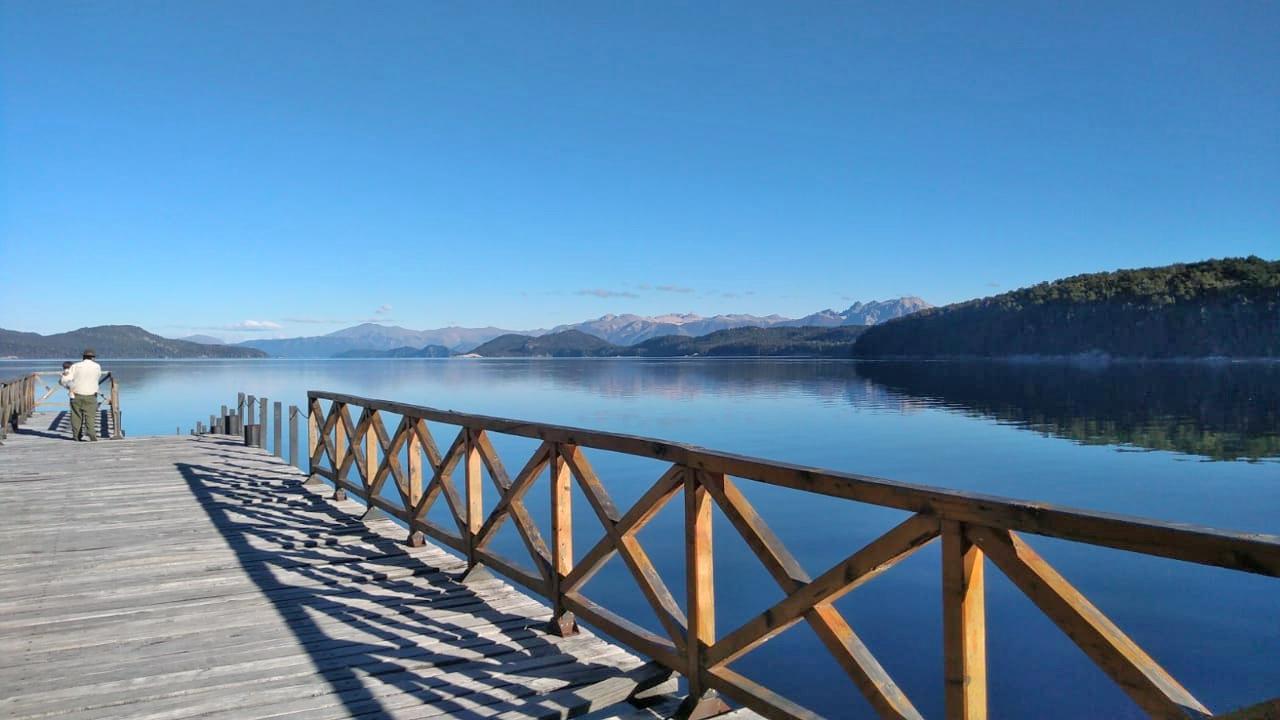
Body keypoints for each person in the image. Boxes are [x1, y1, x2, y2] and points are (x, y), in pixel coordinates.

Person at [61, 349, 102, 441]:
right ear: (93, 358)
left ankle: (77, 436)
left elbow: (65, 380)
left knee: (76, 416)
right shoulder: (97, 366)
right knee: (90, 416)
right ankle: (91, 433)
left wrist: (70, 387)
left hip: (76, 394)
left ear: (83, 357)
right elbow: (98, 377)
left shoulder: (75, 366)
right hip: (91, 395)